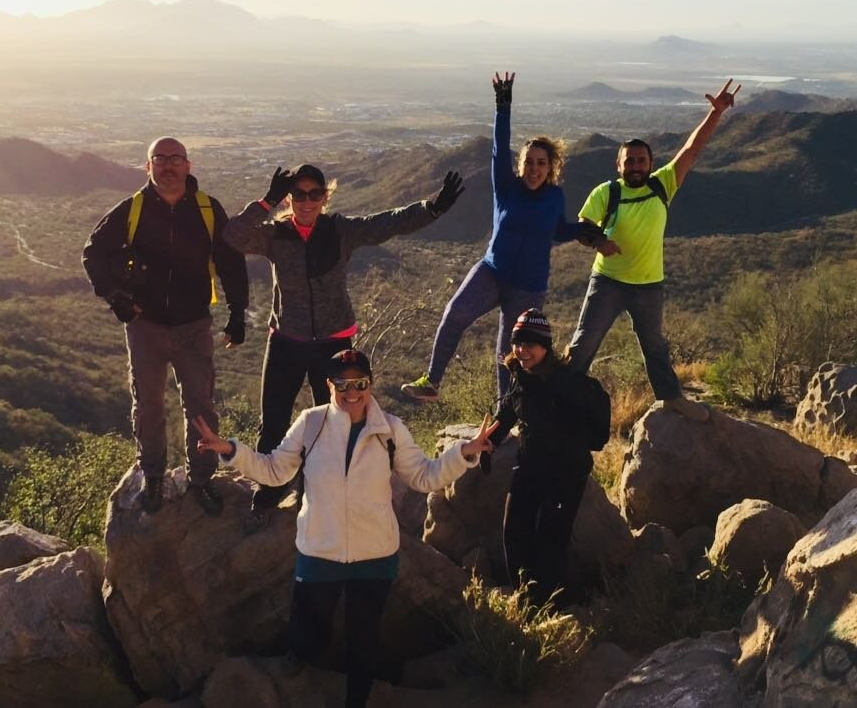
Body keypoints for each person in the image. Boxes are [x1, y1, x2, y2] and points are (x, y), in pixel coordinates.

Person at [192, 348, 497, 708]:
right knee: (309, 622)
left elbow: (424, 476)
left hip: (375, 555)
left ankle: (357, 699)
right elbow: (276, 470)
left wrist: (463, 453)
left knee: (363, 637)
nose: (351, 393)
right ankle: (302, 655)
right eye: (342, 384)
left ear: (370, 384)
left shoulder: (390, 430)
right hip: (320, 550)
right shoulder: (311, 423)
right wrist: (231, 449)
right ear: (328, 385)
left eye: (360, 384)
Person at [223, 164, 464, 531]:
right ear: (289, 198)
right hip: (287, 339)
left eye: (314, 194)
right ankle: (268, 493)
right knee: (273, 421)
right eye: (298, 194)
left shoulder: (341, 231)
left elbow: (389, 222)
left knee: (333, 426)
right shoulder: (276, 236)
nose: (306, 202)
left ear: (325, 197)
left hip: (334, 346)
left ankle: (316, 493)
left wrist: (432, 208)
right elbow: (232, 236)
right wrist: (268, 200)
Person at [402, 72, 600, 404]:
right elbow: (499, 147)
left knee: (507, 358)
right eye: (529, 163)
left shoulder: (555, 197)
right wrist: (503, 107)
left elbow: (555, 230)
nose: (534, 169)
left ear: (550, 166)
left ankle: (505, 418)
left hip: (528, 286)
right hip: (492, 272)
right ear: (519, 166)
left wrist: (581, 230)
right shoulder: (506, 188)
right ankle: (431, 380)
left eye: (541, 163)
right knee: (455, 313)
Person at [82, 136, 249, 514]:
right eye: (160, 159)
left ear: (189, 166)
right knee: (149, 406)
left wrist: (238, 314)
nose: (169, 165)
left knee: (201, 407)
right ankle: (153, 477)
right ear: (148, 166)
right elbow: (93, 253)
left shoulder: (207, 209)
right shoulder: (133, 209)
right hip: (147, 326)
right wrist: (116, 298)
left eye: (176, 159)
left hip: (194, 325)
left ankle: (202, 479)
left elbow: (231, 264)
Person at [565, 79, 743, 421]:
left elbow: (692, 150)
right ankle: (560, 398)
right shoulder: (607, 193)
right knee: (583, 344)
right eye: (629, 161)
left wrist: (715, 113)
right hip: (608, 282)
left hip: (649, 284)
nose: (635, 165)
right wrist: (600, 241)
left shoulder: (663, 184)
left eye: (641, 160)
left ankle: (671, 398)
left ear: (650, 163)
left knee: (655, 347)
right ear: (619, 166)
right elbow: (583, 227)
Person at [486, 309, 595, 603]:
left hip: (566, 471)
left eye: (529, 344)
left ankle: (551, 603)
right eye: (517, 343)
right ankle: (525, 596)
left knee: (551, 536)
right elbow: (507, 412)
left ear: (545, 346)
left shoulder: (563, 381)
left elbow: (581, 429)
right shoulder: (520, 375)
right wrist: (488, 442)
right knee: (514, 530)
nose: (522, 351)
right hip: (531, 465)